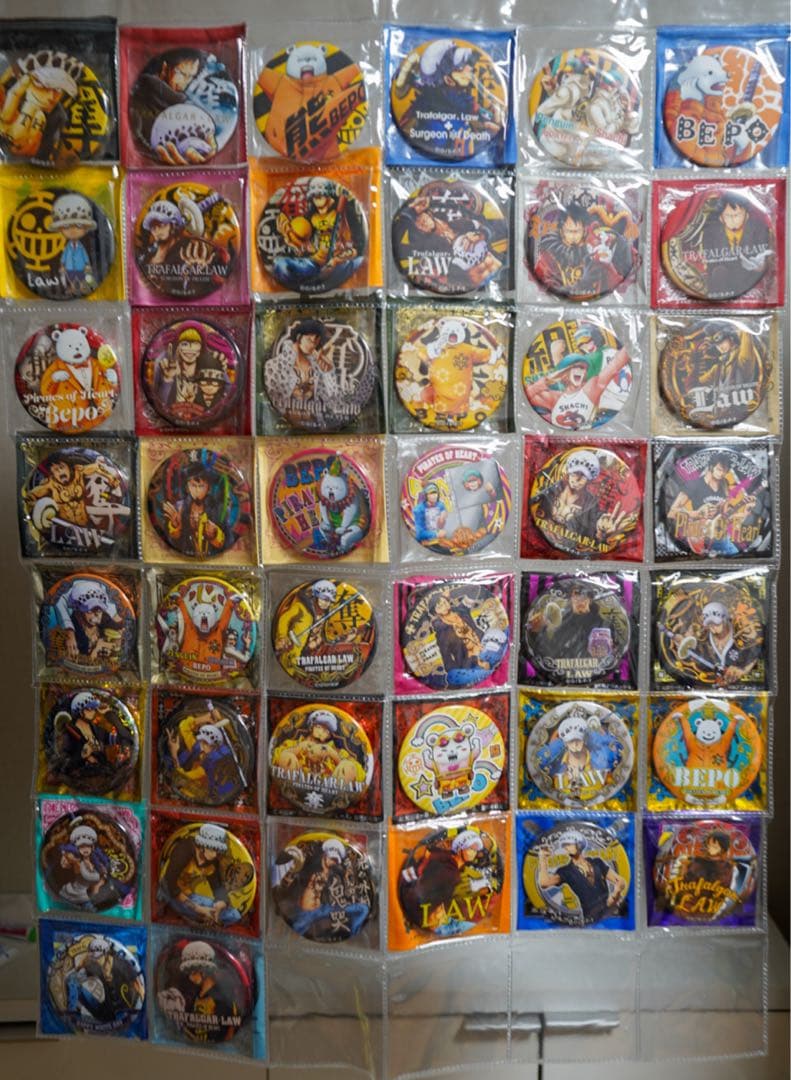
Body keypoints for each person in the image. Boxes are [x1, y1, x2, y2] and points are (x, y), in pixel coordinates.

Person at [526, 331, 631, 430]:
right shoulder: (555, 398)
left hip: (596, 432)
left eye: (583, 368)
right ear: (565, 373)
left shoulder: (591, 388)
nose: (580, 371)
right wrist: (538, 386)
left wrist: (632, 340)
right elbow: (527, 396)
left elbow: (616, 364)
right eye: (576, 367)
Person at [531, 450, 632, 546]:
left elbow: (593, 535)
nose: (577, 479)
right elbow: (532, 506)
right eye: (575, 473)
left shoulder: (591, 504)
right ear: (569, 473)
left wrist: (601, 532)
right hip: (537, 540)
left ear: (589, 480)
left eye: (583, 476)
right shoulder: (549, 489)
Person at [666, 451, 756, 556]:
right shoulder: (694, 484)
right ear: (711, 467)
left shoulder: (724, 485)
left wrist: (745, 512)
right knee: (734, 555)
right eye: (719, 469)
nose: (722, 474)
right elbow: (671, 513)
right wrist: (697, 513)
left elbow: (724, 517)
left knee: (736, 556)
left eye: (725, 471)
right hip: (699, 536)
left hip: (719, 535)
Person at [276, 838, 370, 938]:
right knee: (292, 934)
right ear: (324, 855)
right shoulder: (311, 867)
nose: (333, 862)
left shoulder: (333, 873)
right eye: (332, 858)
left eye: (336, 860)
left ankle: (354, 934)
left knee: (362, 909)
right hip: (307, 912)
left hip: (322, 909)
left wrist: (346, 876)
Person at [0, 50, 82, 161]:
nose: (52, 96)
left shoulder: (57, 118)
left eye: (58, 90)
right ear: (27, 82)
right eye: (45, 87)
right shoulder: (8, 106)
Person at [130, 49, 212, 160]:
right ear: (165, 69)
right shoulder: (139, 100)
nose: (185, 82)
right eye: (181, 73)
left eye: (191, 76)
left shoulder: (185, 106)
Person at [160, 823, 241, 927]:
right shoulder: (184, 850)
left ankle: (203, 921)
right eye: (212, 849)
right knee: (199, 914)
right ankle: (195, 919)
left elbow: (217, 887)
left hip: (189, 895)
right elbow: (169, 884)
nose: (215, 855)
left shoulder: (212, 862)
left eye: (218, 851)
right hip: (168, 893)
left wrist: (220, 904)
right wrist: (199, 909)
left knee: (234, 915)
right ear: (203, 846)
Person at [537, 830, 626, 923]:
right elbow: (544, 883)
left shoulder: (597, 862)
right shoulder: (566, 871)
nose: (566, 847)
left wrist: (616, 893)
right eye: (565, 845)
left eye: (569, 844)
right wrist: (542, 859)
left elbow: (620, 881)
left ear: (579, 844)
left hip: (611, 912)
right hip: (591, 918)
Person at [165, 705, 244, 805]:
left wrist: (174, 754)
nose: (202, 747)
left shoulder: (205, 769)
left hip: (194, 797)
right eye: (202, 742)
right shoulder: (199, 748)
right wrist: (205, 717)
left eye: (207, 744)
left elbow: (180, 778)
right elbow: (184, 727)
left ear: (215, 748)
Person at [700, 192, 773, 299]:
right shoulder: (710, 233)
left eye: (737, 215)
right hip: (722, 284)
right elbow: (711, 264)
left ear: (746, 215)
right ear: (721, 218)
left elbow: (765, 260)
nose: (733, 219)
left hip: (750, 281)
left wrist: (762, 265)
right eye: (728, 216)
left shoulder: (759, 229)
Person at [65, 935, 143, 1025]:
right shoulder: (94, 966)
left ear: (106, 954)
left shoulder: (122, 965)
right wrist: (80, 966)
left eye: (98, 957)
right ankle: (71, 1013)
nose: (96, 960)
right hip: (103, 1011)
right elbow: (71, 978)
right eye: (93, 957)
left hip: (122, 1012)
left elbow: (138, 984)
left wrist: (138, 1008)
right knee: (72, 980)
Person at [52, 578, 125, 665]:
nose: (96, 615)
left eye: (99, 610)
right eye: (90, 611)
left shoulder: (105, 620)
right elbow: (81, 666)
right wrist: (96, 649)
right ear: (79, 613)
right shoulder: (71, 636)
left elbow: (120, 631)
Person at [161, 462, 226, 557]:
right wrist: (175, 527)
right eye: (193, 485)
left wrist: (214, 534)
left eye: (201, 486)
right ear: (187, 488)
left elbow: (227, 541)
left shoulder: (218, 509)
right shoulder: (179, 508)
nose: (197, 490)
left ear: (208, 488)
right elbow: (170, 543)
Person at [52, 823, 115, 910]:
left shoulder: (94, 861)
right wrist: (100, 876)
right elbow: (89, 876)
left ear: (92, 847)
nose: (85, 849)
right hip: (78, 893)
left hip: (88, 893)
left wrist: (103, 872)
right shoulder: (80, 863)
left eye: (87, 846)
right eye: (82, 847)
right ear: (77, 848)